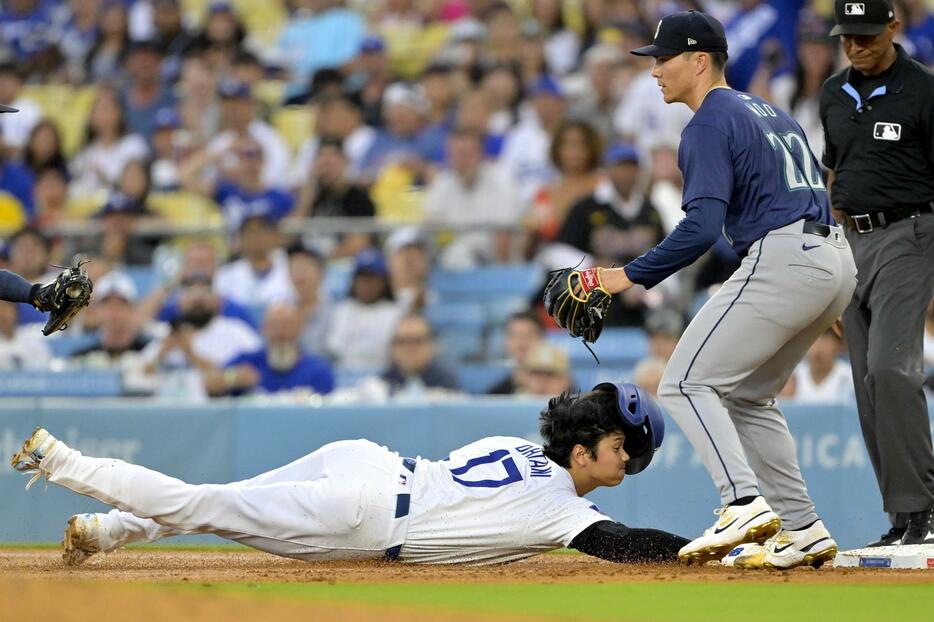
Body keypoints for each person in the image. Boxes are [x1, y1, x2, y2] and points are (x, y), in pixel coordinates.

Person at [550, 11, 857, 570]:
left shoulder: (709, 121)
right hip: (830, 257)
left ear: (698, 61)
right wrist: (825, 287)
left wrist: (622, 276)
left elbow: (700, 229)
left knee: (683, 382)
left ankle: (740, 502)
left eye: (663, 58)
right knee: (747, 397)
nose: (655, 71)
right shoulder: (774, 113)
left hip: (787, 255)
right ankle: (805, 529)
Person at [11, 382, 689, 567]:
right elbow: (625, 544)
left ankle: (104, 532)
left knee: (233, 496)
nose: (629, 461)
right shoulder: (563, 511)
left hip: (366, 460)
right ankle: (65, 461)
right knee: (205, 506)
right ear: (585, 449)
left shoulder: (519, 447)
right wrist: (699, 551)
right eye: (625, 447)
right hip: (368, 516)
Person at [819, 0, 934, 547]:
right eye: (847, 36)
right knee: (868, 385)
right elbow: (834, 174)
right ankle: (902, 518)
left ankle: (926, 509)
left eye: (866, 35)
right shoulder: (833, 93)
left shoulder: (924, 90)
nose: (855, 46)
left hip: (910, 235)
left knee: (891, 370)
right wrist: (831, 265)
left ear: (895, 26)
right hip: (850, 243)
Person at [209, 303, 335, 397]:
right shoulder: (247, 361)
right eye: (274, 324)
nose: (280, 332)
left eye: (287, 324)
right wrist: (232, 378)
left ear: (299, 329)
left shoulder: (318, 370)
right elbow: (209, 384)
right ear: (263, 328)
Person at [381, 313, 460, 396]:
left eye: (417, 341)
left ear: (432, 345)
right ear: (392, 348)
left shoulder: (447, 382)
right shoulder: (381, 385)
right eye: (402, 341)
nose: (409, 348)